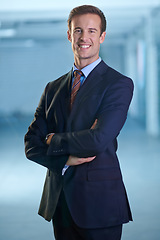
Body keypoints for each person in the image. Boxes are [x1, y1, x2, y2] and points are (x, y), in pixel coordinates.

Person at [24, 5, 133, 240]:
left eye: (92, 31)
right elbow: (31, 145)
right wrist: (65, 157)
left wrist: (52, 139)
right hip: (60, 204)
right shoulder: (52, 89)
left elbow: (97, 140)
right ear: (69, 35)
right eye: (78, 31)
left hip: (99, 205)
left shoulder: (118, 84)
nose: (84, 37)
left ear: (102, 36)